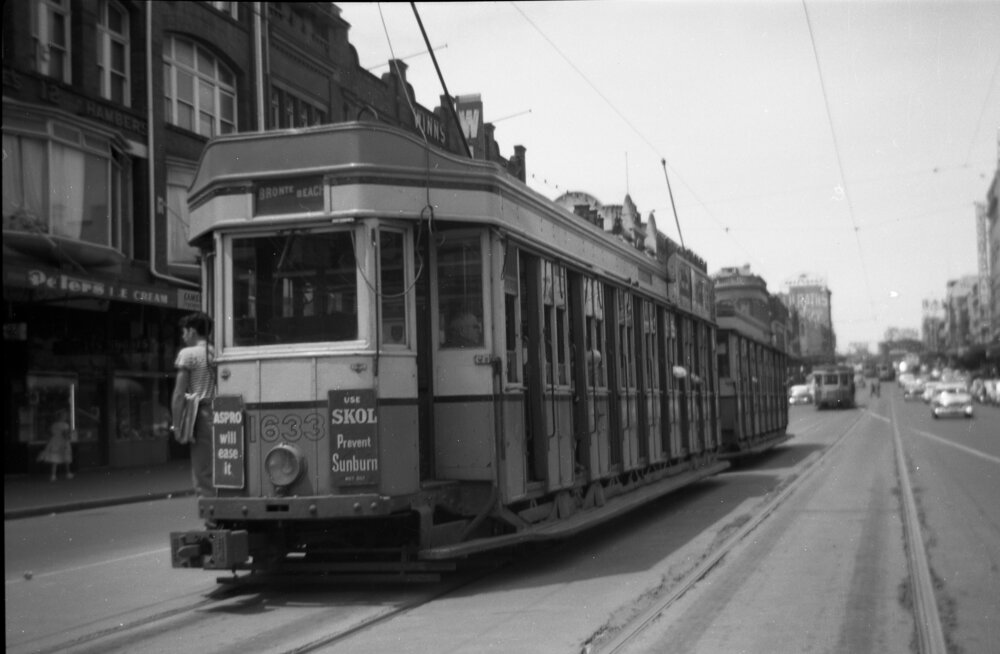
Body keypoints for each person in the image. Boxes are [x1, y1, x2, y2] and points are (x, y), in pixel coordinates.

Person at [172, 311, 216, 498]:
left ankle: (212, 515)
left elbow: (179, 394)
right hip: (223, 412)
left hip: (202, 414)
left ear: (192, 331)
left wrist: (176, 425)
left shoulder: (188, 354)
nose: (183, 337)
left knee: (202, 469)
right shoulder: (216, 351)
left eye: (184, 332)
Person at [38, 410, 74, 481]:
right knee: (66, 458)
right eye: (65, 416)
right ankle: (68, 473)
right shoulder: (65, 425)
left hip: (54, 441)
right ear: (63, 417)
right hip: (63, 442)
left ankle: (53, 475)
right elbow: (65, 435)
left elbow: (50, 433)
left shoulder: (54, 425)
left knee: (54, 459)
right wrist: (69, 437)